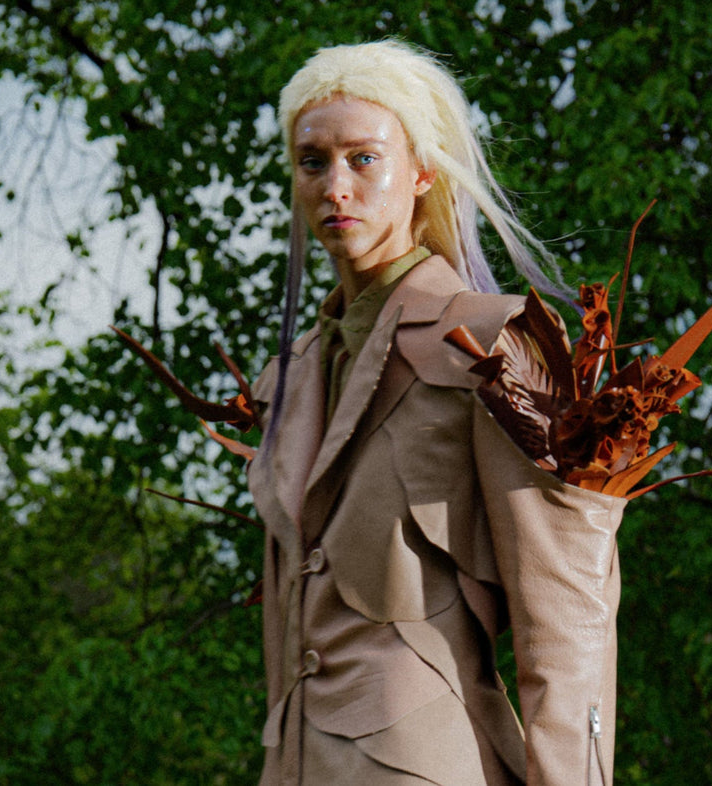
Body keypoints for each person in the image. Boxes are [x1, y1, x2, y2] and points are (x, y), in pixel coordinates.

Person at [246, 40, 625, 785]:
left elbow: (566, 615)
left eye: (363, 159)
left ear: (421, 171)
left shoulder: (493, 342)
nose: (335, 187)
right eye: (313, 161)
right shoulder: (287, 379)